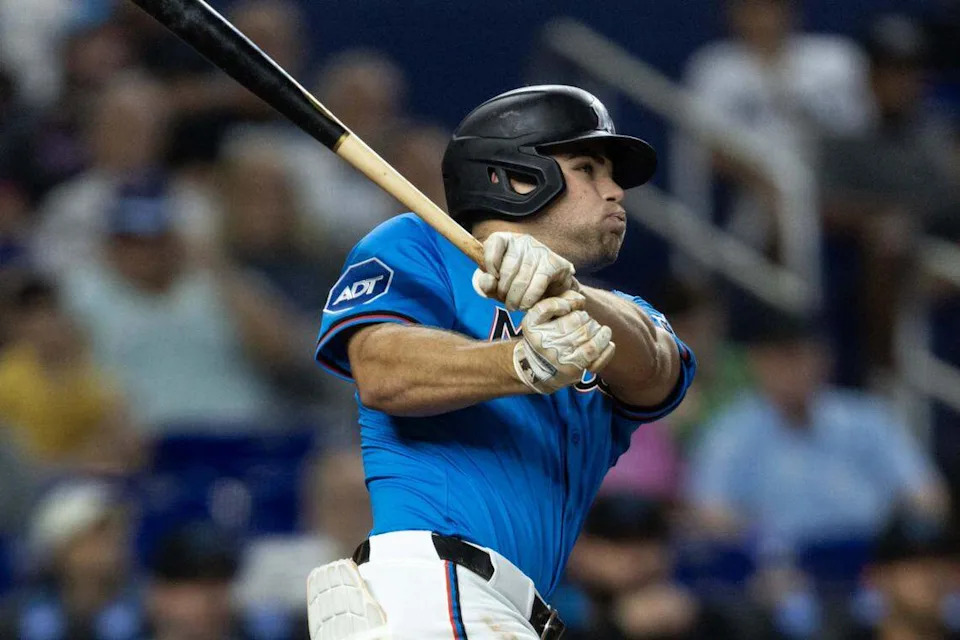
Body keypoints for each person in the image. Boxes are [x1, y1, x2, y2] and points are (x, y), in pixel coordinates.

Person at [309, 85, 696, 640]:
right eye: (588, 168)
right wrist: (523, 361)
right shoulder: (418, 244)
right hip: (432, 584)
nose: (615, 191)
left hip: (512, 609)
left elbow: (658, 372)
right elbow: (382, 371)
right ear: (516, 177)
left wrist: (571, 293)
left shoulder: (614, 312)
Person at [686, 304, 947, 554]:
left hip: (873, 558)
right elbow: (709, 512)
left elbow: (928, 497)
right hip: (779, 568)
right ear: (756, 363)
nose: (791, 370)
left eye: (800, 356)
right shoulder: (729, 431)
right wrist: (758, 543)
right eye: (779, 359)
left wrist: (898, 535)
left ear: (823, 358)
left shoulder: (867, 417)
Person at [0, 481, 142, 640]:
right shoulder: (17, 615)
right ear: (59, 548)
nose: (109, 549)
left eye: (117, 538)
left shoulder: (147, 610)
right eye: (94, 539)